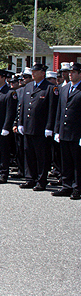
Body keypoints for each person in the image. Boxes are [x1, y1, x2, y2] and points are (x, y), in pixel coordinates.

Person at [17, 63, 57, 191]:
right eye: (32, 71)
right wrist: (20, 123)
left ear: (42, 73)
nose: (33, 74)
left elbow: (52, 109)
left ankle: (41, 180)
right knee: (29, 154)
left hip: (41, 128)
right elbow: (23, 106)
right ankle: (30, 178)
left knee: (42, 156)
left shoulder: (50, 88)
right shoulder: (28, 86)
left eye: (36, 71)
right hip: (28, 126)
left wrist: (49, 127)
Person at [52, 62, 81, 199]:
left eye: (74, 72)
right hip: (64, 131)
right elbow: (60, 110)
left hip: (77, 133)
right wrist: (57, 129)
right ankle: (66, 185)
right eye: (70, 72)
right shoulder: (64, 89)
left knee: (77, 162)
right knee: (66, 161)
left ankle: (77, 188)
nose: (70, 74)